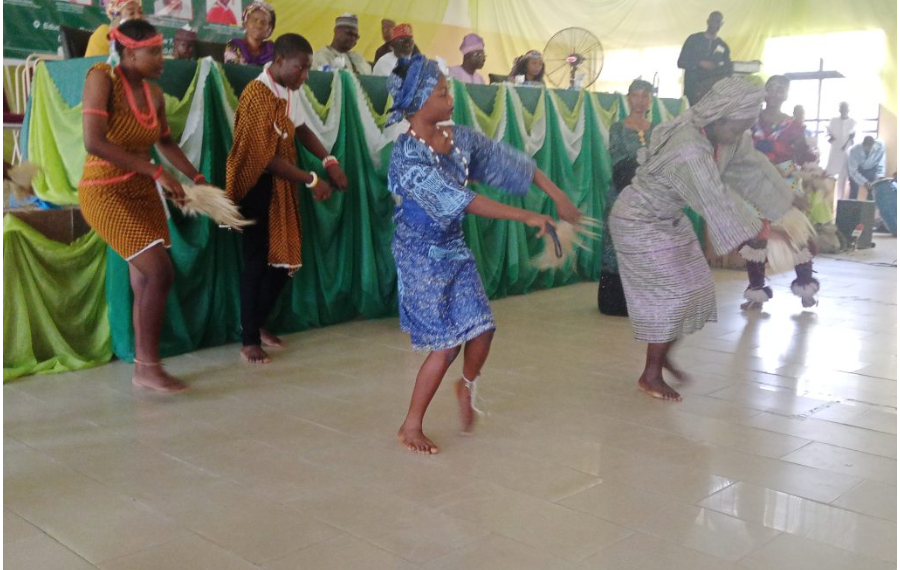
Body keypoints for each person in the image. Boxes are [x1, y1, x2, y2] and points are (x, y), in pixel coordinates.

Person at [387, 55, 581, 453]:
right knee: (446, 345)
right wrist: (528, 216)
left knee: (482, 329)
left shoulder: (458, 138)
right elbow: (460, 200)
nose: (451, 98)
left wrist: (557, 195)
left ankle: (466, 385)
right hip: (419, 255)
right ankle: (410, 426)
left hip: (452, 247)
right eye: (442, 92)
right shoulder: (406, 156)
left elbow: (508, 162)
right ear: (419, 102)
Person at [609, 77, 798, 402]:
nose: (740, 134)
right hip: (638, 219)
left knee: (696, 288)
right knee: (672, 295)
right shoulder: (688, 144)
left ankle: (661, 353)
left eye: (746, 127)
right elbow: (714, 197)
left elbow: (753, 168)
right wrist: (762, 230)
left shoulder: (728, 137)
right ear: (719, 117)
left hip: (668, 218)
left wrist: (787, 200)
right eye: (738, 127)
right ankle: (650, 374)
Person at [79, 20, 207, 392]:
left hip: (142, 191)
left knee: (145, 278)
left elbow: (164, 142)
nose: (162, 58)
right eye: (154, 52)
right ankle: (148, 367)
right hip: (103, 191)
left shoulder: (154, 93)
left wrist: (195, 178)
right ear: (130, 53)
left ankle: (144, 366)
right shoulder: (101, 78)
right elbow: (93, 142)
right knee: (158, 272)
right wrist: (156, 172)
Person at [226, 33, 348, 364]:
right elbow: (263, 159)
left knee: (285, 260)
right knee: (256, 262)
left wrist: (329, 161)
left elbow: (302, 128)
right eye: (301, 68)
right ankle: (249, 338)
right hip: (254, 185)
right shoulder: (257, 94)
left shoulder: (290, 90)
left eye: (308, 69)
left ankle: (258, 322)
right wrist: (311, 179)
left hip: (281, 185)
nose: (305, 75)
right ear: (279, 61)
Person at [740, 75, 820, 310]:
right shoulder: (750, 121)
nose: (775, 93)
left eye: (780, 89)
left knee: (796, 235)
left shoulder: (794, 126)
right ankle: (756, 292)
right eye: (771, 88)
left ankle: (806, 287)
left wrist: (811, 179)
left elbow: (805, 156)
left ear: (786, 94)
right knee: (756, 238)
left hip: (786, 184)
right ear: (764, 91)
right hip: (756, 184)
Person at [599, 79, 655, 317]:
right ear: (628, 98)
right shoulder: (618, 128)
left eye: (645, 96)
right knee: (618, 244)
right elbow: (619, 161)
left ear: (650, 100)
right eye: (635, 95)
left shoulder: (657, 130)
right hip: (624, 193)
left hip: (651, 197)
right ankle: (614, 301)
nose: (640, 101)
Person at [677, 11, 732, 105]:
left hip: (713, 96)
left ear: (721, 24)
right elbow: (681, 62)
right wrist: (699, 63)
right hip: (692, 92)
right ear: (708, 21)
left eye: (718, 22)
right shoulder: (693, 39)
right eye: (713, 21)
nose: (715, 24)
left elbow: (727, 69)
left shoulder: (723, 46)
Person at [224, 1, 276, 66]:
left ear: (269, 29)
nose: (259, 26)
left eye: (263, 22)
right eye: (254, 20)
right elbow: (233, 70)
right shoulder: (234, 46)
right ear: (245, 23)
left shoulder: (272, 49)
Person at [826, 102, 856, 199]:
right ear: (839, 109)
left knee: (843, 179)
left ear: (848, 110)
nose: (843, 110)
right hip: (835, 153)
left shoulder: (853, 122)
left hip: (846, 154)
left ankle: (841, 201)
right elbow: (827, 135)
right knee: (829, 177)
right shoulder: (833, 121)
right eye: (842, 108)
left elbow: (856, 140)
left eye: (845, 108)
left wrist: (852, 138)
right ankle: (829, 200)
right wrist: (831, 139)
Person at [848, 136, 886, 200]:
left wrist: (879, 178)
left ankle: (870, 204)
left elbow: (881, 165)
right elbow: (853, 171)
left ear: (873, 144)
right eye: (867, 147)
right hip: (859, 169)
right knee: (853, 188)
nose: (869, 149)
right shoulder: (854, 150)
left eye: (871, 146)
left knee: (873, 189)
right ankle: (851, 204)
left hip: (872, 169)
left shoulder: (880, 147)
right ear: (863, 144)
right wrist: (865, 182)